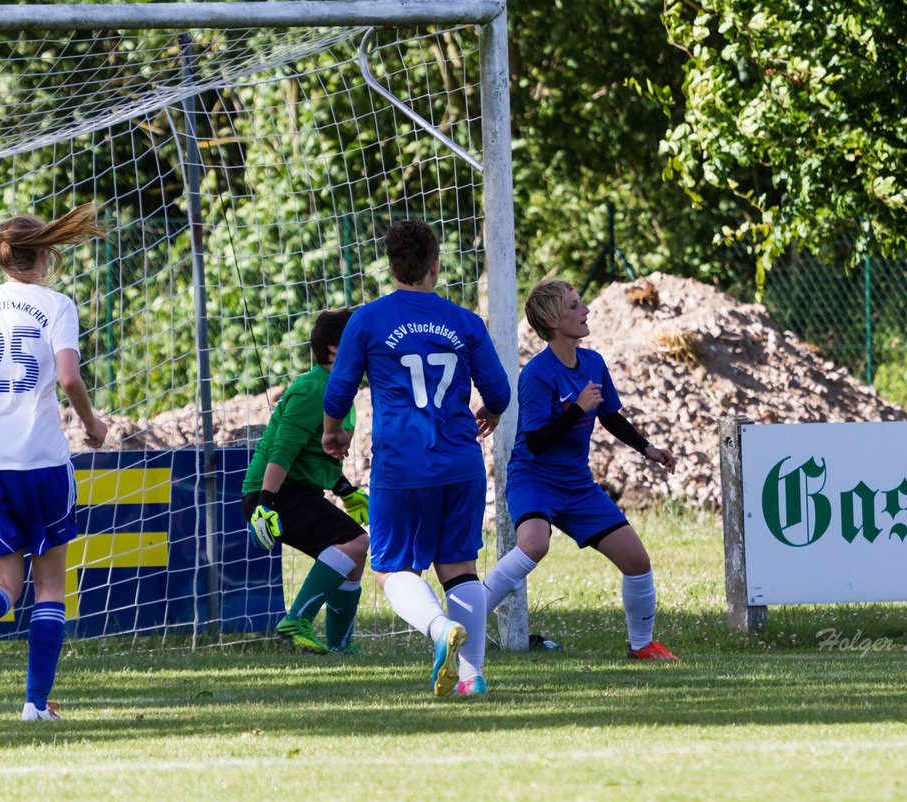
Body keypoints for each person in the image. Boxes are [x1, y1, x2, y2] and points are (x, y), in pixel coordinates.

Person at [0, 203, 109, 721]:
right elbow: (71, 378)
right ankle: (34, 704)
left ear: (2, 257)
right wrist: (93, 426)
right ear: (46, 254)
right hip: (39, 459)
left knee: (1, 587)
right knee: (49, 585)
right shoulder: (56, 305)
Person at [322, 220, 509, 696]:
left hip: (402, 467)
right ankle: (472, 678)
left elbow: (340, 389)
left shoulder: (367, 319)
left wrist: (333, 434)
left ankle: (438, 629)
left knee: (390, 570)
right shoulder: (465, 321)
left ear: (392, 266)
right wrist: (488, 411)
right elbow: (501, 392)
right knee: (459, 566)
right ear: (435, 265)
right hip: (460, 463)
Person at [482, 278, 680, 662]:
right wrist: (575, 409)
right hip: (533, 478)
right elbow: (536, 442)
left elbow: (609, 417)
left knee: (637, 561)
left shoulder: (592, 362)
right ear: (554, 321)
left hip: (576, 484)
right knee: (535, 544)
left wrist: (648, 449)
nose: (585, 310)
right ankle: (465, 624)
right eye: (574, 306)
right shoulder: (536, 374)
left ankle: (641, 647)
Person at [242, 308, 370, 654]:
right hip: (273, 492)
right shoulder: (313, 389)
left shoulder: (339, 390)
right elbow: (281, 451)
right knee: (356, 542)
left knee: (354, 554)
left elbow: (315, 456)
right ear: (333, 349)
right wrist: (263, 505)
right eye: (357, 338)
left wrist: (345, 490)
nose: (366, 344)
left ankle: (341, 646)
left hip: (295, 489)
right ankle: (295, 620)